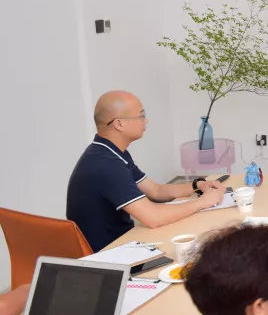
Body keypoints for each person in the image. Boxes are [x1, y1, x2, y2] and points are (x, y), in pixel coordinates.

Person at [66, 91, 225, 251]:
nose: (146, 121)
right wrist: (202, 202)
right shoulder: (106, 164)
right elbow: (153, 217)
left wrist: (198, 185)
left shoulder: (110, 152)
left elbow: (156, 191)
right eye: (141, 116)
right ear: (119, 124)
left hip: (124, 242)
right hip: (111, 254)